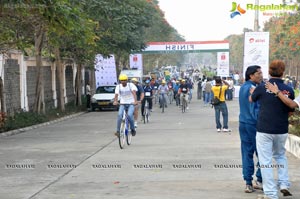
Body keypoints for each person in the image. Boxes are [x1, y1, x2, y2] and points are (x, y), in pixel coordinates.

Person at [250, 60, 294, 199]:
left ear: (269, 71)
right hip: (281, 129)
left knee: (265, 160)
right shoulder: (289, 90)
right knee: (280, 156)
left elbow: (252, 99)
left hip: (264, 129)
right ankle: (284, 184)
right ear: (283, 72)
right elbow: (291, 110)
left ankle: (270, 193)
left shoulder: (262, 87)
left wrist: (253, 92)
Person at [239, 65, 263, 193]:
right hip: (254, 124)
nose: (261, 75)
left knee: (246, 152)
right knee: (262, 153)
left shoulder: (243, 87)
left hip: (243, 123)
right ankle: (259, 179)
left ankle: (248, 182)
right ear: (251, 75)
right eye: (258, 73)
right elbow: (257, 109)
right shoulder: (254, 89)